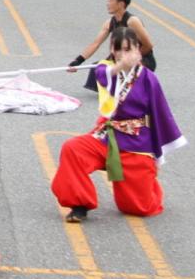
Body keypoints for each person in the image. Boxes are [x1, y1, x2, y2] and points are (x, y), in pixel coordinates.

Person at [52, 27, 186, 221]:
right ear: (112, 51)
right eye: (118, 49)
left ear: (138, 50)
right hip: (107, 137)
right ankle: (80, 204)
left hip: (136, 143)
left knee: (137, 208)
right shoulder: (104, 69)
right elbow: (106, 74)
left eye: (128, 49)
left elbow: (160, 114)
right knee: (73, 149)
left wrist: (156, 153)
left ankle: (149, 184)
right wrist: (120, 66)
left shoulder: (149, 79)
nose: (123, 54)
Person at [68, 0, 155, 91]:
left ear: (121, 4)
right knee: (98, 67)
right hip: (122, 58)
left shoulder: (132, 21)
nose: (107, 4)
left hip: (143, 59)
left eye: (110, 0)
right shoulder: (109, 22)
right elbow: (95, 44)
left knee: (119, 72)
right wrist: (77, 61)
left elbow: (148, 46)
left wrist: (128, 59)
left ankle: (132, 87)